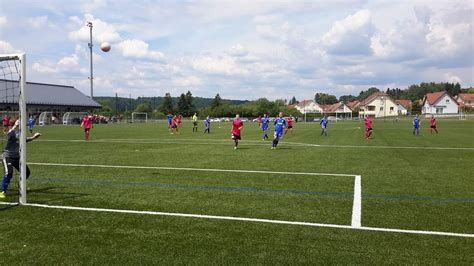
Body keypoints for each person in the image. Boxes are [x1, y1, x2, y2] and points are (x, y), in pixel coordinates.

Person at [0, 119, 41, 199]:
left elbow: (24, 140)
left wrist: (34, 137)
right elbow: (9, 135)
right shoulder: (11, 133)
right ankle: (3, 191)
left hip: (17, 157)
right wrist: (15, 126)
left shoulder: (20, 133)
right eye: (19, 123)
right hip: (7, 156)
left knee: (26, 172)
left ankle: (20, 185)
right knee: (9, 173)